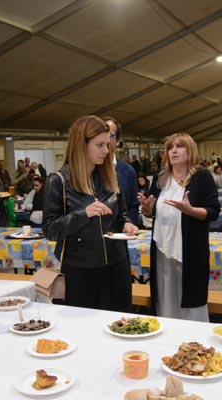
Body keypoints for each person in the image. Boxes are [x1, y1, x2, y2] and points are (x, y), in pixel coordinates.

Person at [43, 115, 138, 312]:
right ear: (81, 145)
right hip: (82, 271)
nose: (106, 150)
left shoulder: (109, 176)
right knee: (87, 325)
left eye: (107, 144)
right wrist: (83, 214)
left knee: (120, 322)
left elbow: (121, 213)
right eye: (100, 145)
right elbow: (50, 230)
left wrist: (126, 223)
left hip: (117, 265)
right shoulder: (59, 181)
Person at [140, 133, 220, 322]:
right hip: (162, 250)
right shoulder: (160, 180)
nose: (173, 151)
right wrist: (147, 210)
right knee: (165, 296)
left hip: (190, 249)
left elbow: (213, 212)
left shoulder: (202, 177)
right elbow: (151, 212)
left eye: (179, 146)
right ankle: (168, 333)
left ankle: (194, 335)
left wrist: (191, 210)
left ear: (190, 150)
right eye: (170, 147)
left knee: (191, 298)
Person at [104, 116, 139, 225]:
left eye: (109, 136)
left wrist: (128, 224)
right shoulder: (86, 171)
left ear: (118, 141)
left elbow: (133, 206)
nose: (104, 140)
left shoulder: (128, 171)